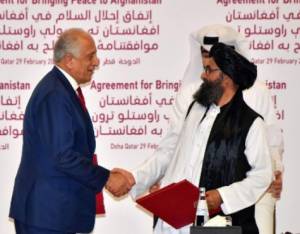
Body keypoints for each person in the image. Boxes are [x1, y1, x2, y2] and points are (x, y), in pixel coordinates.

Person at [129, 41, 272, 234]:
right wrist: (154, 184)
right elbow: (171, 153)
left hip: (217, 224)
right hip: (174, 222)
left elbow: (262, 175)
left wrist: (222, 196)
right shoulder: (194, 110)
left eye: (209, 70)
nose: (203, 75)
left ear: (227, 78)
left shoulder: (251, 123)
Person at [9, 28, 134, 234]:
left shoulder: (61, 89)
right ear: (69, 60)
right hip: (47, 215)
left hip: (53, 213)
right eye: (90, 56)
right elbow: (63, 156)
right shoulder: (55, 94)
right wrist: (107, 178)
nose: (96, 62)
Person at [168, 24, 284, 234]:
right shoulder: (193, 98)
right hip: (200, 200)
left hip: (248, 194)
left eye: (211, 63)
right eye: (204, 54)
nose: (205, 63)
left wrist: (276, 171)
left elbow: (271, 139)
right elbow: (176, 147)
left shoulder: (257, 99)